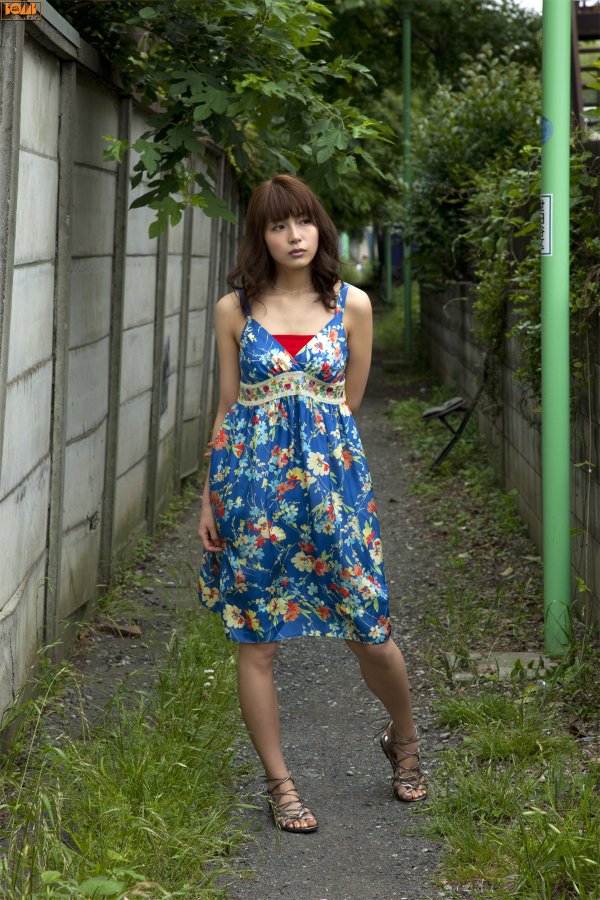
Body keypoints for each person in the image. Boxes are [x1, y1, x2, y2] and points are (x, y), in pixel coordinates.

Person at [198, 174, 427, 834]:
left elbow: (347, 403)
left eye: (302, 222)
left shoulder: (353, 305)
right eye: (278, 226)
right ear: (261, 237)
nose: (293, 236)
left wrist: (313, 453)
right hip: (251, 493)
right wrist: (209, 500)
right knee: (257, 641)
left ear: (319, 228)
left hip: (335, 494)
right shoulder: (234, 310)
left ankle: (405, 739)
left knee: (370, 630)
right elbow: (228, 407)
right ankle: (281, 785)